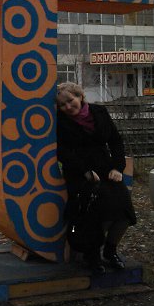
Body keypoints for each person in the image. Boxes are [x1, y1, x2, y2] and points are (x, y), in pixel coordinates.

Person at [56, 82, 136, 275]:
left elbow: (115, 141)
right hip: (79, 173)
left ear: (80, 96)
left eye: (70, 100)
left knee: (124, 209)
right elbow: (62, 151)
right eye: (62, 104)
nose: (68, 106)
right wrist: (85, 171)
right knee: (98, 209)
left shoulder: (99, 112)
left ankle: (110, 250)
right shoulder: (60, 121)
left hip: (106, 169)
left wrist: (117, 168)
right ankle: (92, 254)